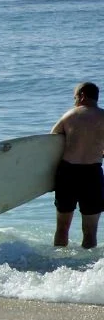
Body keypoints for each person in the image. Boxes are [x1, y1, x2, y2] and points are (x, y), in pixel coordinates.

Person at [50, 82, 104, 249]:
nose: (74, 101)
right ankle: (89, 270)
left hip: (68, 174)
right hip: (93, 174)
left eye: (75, 97)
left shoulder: (69, 116)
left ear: (81, 96)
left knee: (62, 228)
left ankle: (57, 266)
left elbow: (51, 141)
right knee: (90, 231)